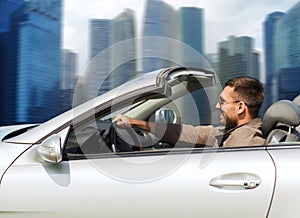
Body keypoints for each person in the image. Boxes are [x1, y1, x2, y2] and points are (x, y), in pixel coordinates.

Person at [113, 76, 265, 148]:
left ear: (240, 108)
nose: (217, 106)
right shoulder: (229, 132)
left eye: (223, 102)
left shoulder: (247, 143)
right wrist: (135, 123)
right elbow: (187, 132)